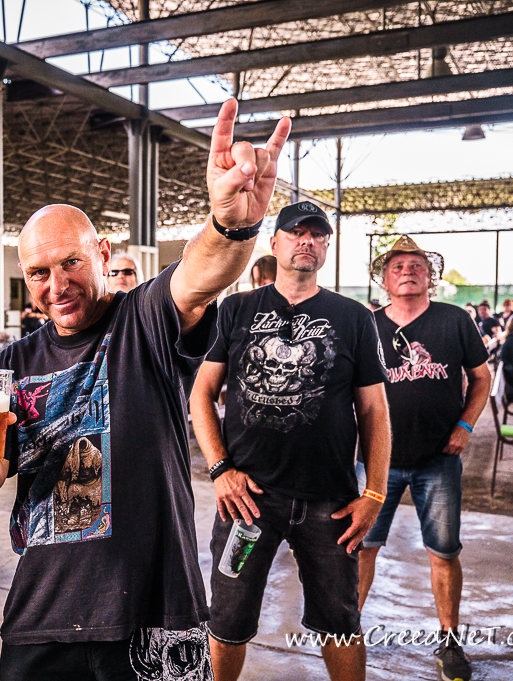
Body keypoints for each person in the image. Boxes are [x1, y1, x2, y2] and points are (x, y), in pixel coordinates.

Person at [0, 99, 291, 681]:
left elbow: (200, 274)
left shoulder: (142, 319)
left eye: (71, 263)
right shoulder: (11, 365)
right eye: (39, 273)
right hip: (43, 618)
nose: (57, 286)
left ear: (102, 254)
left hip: (155, 614)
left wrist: (232, 225)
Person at [191, 200, 391, 681]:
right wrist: (220, 469)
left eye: (317, 234)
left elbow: (374, 410)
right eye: (296, 232)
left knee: (341, 622)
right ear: (275, 243)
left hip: (331, 504)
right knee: (227, 620)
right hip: (248, 501)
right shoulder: (236, 309)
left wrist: (375, 493)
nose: (307, 241)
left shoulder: (353, 317)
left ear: (326, 247)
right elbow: (201, 394)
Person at [356, 236, 490, 681]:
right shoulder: (367, 325)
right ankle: (346, 631)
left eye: (416, 265)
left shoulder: (455, 320)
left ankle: (449, 642)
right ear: (384, 279)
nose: (407, 272)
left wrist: (465, 425)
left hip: (438, 458)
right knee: (360, 548)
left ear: (430, 276)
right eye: (397, 267)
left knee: (443, 552)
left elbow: (481, 378)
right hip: (375, 462)